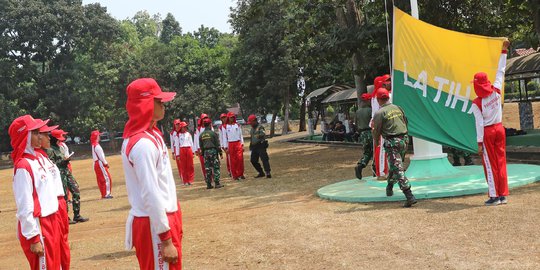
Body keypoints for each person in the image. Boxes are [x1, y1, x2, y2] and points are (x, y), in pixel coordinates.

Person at [121, 78, 182, 269]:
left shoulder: (153, 135)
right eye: (158, 101)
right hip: (153, 224)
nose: (163, 105)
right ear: (145, 104)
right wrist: (165, 239)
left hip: (163, 217)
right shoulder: (142, 145)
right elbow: (150, 192)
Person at [9, 115, 62, 269]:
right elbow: (24, 205)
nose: (41, 135)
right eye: (36, 132)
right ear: (24, 135)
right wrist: (33, 237)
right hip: (39, 225)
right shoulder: (23, 166)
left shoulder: (37, 158)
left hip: (50, 221)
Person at [470, 39, 510, 206]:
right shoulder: (496, 90)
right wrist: (504, 50)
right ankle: (503, 195)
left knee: (489, 164)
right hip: (500, 129)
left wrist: (479, 143)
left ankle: (494, 196)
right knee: (501, 161)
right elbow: (501, 71)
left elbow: (479, 124)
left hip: (487, 132)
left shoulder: (476, 103)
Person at [372, 89, 417, 207]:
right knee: (395, 165)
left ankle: (409, 195)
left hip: (392, 142)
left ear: (378, 99)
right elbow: (405, 122)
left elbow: (376, 130)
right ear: (388, 97)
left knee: (398, 168)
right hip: (404, 140)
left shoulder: (379, 113)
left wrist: (376, 142)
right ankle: (390, 187)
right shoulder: (398, 108)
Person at [37, 123, 71, 270]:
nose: (48, 137)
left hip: (59, 202)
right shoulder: (36, 159)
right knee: (54, 245)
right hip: (51, 206)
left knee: (62, 241)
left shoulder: (45, 156)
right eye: (44, 134)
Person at [49, 129, 89, 224]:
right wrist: (63, 161)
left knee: (76, 191)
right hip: (60, 174)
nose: (60, 140)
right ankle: (65, 218)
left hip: (66, 172)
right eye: (58, 139)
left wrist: (65, 160)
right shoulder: (50, 150)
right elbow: (51, 164)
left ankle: (77, 215)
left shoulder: (60, 148)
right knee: (64, 196)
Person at [370, 75, 391, 179]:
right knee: (382, 149)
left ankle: (381, 171)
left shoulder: (375, 96)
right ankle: (382, 173)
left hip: (376, 123)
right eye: (386, 81)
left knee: (379, 149)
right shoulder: (382, 95)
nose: (389, 83)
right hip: (381, 124)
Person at [199, 118, 224, 189]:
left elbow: (201, 146)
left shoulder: (201, 135)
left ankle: (209, 184)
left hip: (206, 152)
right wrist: (220, 153)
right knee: (216, 167)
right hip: (213, 151)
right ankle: (217, 183)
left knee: (207, 168)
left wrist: (203, 154)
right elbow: (217, 144)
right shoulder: (213, 133)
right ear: (210, 125)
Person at [355, 93, 375, 179]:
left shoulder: (358, 111)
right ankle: (376, 170)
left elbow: (356, 123)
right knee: (375, 152)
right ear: (367, 101)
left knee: (367, 152)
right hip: (371, 132)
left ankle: (360, 165)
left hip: (362, 133)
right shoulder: (371, 110)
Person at [247, 114, 272, 178]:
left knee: (264, 159)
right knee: (253, 160)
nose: (250, 124)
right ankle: (261, 172)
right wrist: (251, 144)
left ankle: (268, 172)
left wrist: (258, 135)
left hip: (260, 145)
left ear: (254, 121)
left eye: (251, 122)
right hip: (254, 147)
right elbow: (252, 137)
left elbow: (263, 133)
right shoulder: (252, 129)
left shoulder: (260, 127)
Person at [91, 130, 113, 199]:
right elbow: (101, 156)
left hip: (96, 163)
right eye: (99, 136)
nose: (100, 137)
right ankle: (106, 194)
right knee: (106, 178)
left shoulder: (93, 145)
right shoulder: (97, 146)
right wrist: (106, 163)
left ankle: (104, 194)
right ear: (96, 137)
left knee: (100, 180)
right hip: (100, 163)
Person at [224, 112, 245, 180]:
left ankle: (241, 174)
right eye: (231, 117)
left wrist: (242, 144)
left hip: (238, 143)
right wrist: (226, 147)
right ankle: (235, 175)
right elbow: (224, 138)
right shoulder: (225, 126)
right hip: (230, 144)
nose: (232, 118)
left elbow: (240, 135)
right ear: (228, 118)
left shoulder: (237, 125)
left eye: (233, 117)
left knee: (240, 159)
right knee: (233, 160)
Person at [193, 113, 211, 179]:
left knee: (211, 162)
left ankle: (213, 176)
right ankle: (206, 176)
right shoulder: (198, 129)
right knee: (204, 164)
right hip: (202, 148)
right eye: (203, 118)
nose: (205, 119)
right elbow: (197, 139)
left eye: (206, 118)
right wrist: (198, 149)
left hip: (210, 147)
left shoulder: (210, 127)